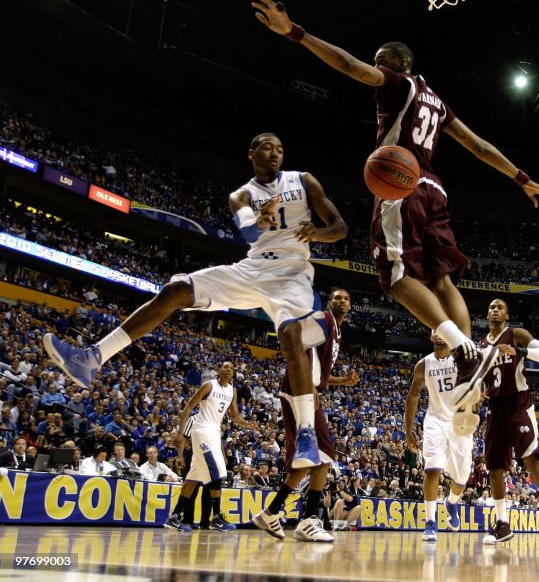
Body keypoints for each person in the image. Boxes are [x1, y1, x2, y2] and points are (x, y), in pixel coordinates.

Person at [251, 0, 539, 412]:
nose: (377, 65)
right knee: (441, 280)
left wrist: (296, 33)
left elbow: (349, 67)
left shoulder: (400, 86)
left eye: (383, 60)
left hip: (400, 184)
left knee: (394, 279)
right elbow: (479, 146)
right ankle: (470, 364)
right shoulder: (438, 102)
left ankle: (464, 349)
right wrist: (523, 179)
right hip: (435, 187)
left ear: (400, 65)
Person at [44, 133, 348, 471]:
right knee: (174, 292)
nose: (275, 153)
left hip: (292, 274)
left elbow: (340, 227)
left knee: (291, 335)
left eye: (280, 148)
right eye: (267, 147)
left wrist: (318, 233)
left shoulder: (302, 181)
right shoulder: (242, 195)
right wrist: (261, 220)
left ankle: (306, 433)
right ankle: (92, 357)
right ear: (251, 154)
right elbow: (247, 233)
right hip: (253, 268)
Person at [253, 288, 359, 543]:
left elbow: (320, 372)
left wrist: (341, 381)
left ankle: (272, 513)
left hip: (304, 387)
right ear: (329, 303)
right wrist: (309, 386)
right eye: (337, 297)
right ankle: (308, 520)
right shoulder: (323, 319)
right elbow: (298, 345)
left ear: (351, 305)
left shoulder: (336, 329)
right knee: (324, 454)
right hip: (298, 387)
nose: (342, 301)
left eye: (346, 298)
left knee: (318, 457)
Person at [475, 298, 539, 544]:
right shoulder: (482, 345)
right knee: (494, 466)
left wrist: (520, 351)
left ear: (506, 315)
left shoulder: (516, 333)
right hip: (496, 405)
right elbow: (483, 379)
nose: (494, 309)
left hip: (519, 400)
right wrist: (479, 394)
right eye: (491, 306)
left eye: (499, 307)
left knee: (530, 457)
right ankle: (503, 524)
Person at [165, 362, 258, 533]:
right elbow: (188, 407)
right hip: (201, 429)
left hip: (215, 432)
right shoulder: (209, 385)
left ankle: (174, 516)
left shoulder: (232, 391)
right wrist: (179, 432)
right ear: (219, 370)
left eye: (231, 368)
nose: (228, 369)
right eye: (225, 367)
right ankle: (216, 517)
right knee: (217, 472)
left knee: (194, 475)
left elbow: (235, 417)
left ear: (233, 373)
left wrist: (248, 424)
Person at [404, 331, 473, 541]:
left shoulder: (461, 359)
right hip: (435, 419)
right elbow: (413, 395)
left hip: (460, 421)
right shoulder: (423, 365)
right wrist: (408, 429)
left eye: (444, 330)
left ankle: (451, 502)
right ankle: (431, 523)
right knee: (432, 468)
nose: (440, 334)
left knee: (462, 477)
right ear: (431, 336)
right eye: (436, 331)